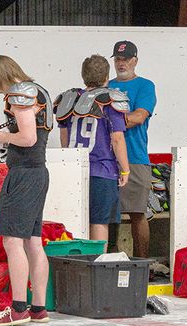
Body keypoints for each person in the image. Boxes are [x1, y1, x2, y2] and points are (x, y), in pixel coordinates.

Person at [0, 55, 51, 326]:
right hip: (38, 172)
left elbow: (28, 137)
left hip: (23, 175)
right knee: (33, 242)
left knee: (11, 241)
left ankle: (18, 309)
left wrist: (3, 137)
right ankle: (38, 308)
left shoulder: (19, 94)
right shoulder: (38, 90)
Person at [56, 55, 130, 250]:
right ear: (107, 76)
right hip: (102, 169)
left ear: (83, 75)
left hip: (74, 171)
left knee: (75, 219)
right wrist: (125, 170)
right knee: (99, 221)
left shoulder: (69, 99)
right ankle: (97, 265)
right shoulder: (110, 100)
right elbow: (117, 138)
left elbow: (64, 135)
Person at [107, 40, 157, 259]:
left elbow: (139, 116)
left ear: (135, 60)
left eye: (126, 59)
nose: (121, 63)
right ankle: (108, 259)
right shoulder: (105, 87)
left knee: (137, 213)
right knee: (107, 214)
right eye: (118, 59)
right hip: (107, 159)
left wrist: (112, 123)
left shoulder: (145, 86)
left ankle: (141, 263)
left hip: (135, 156)